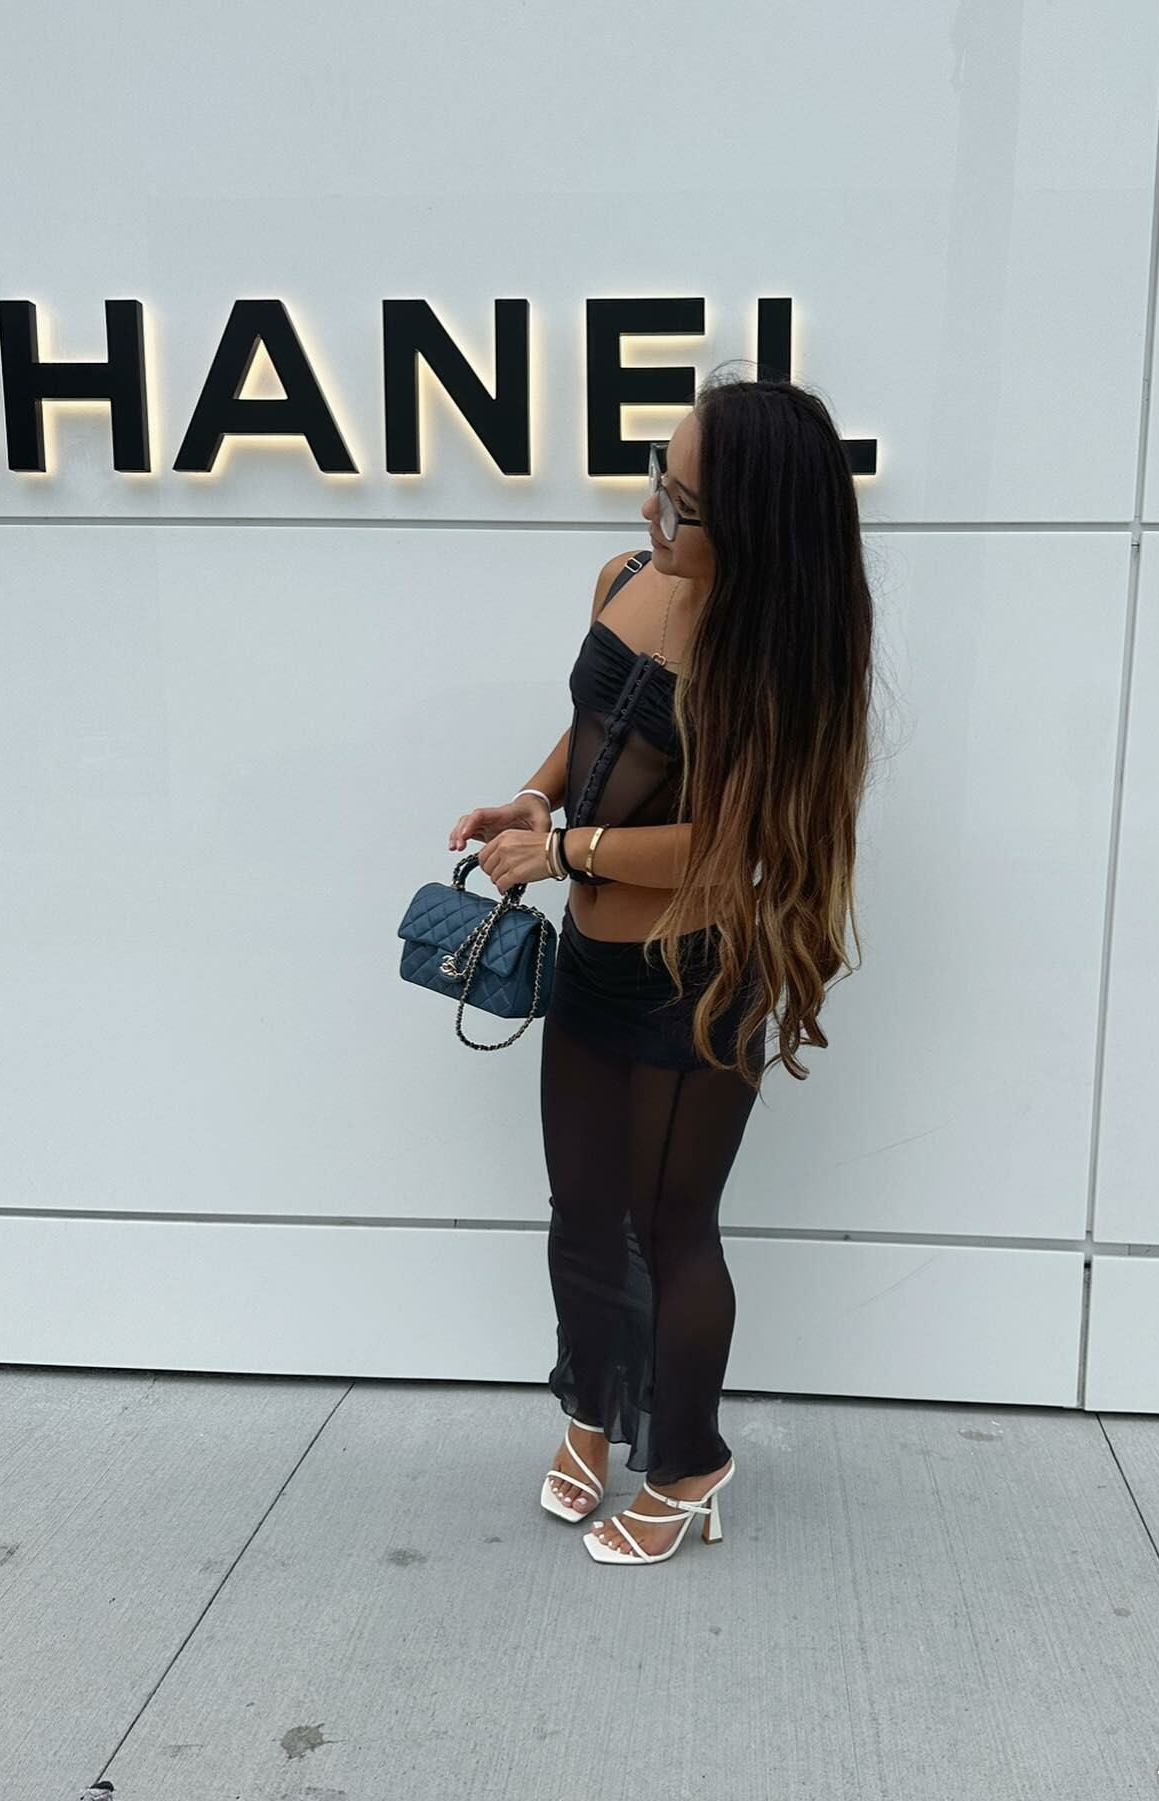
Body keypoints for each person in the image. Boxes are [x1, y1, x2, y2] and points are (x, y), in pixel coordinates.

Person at [448, 368, 880, 1567]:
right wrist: (535, 800)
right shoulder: (626, 578)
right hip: (594, 961)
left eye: (682, 503)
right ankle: (592, 1411)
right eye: (658, 479)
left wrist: (565, 852)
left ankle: (688, 1463)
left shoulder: (779, 655)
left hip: (701, 977)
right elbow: (593, 724)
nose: (653, 512)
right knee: (583, 1217)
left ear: (754, 524)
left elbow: (737, 845)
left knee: (672, 1228)